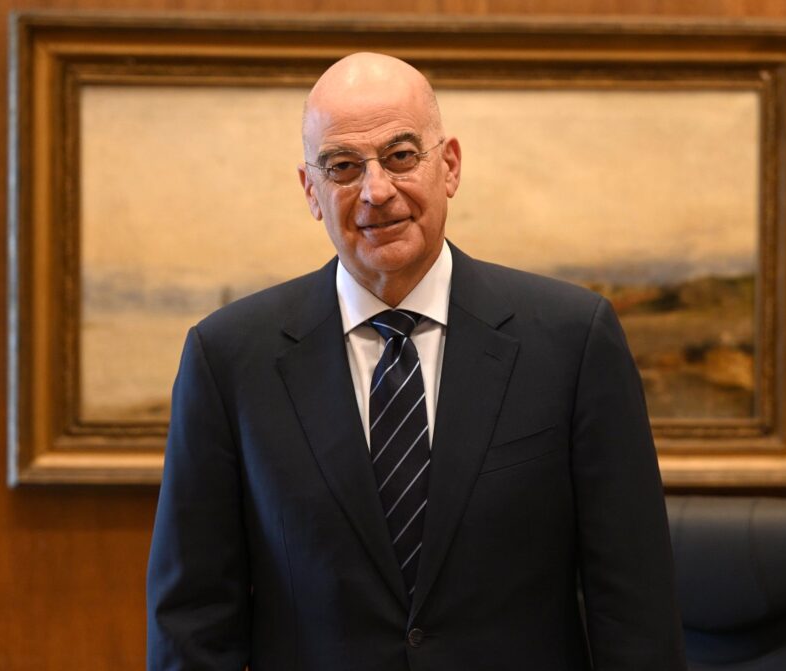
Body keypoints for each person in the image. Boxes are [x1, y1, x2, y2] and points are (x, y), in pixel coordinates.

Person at [147, 52, 686, 670]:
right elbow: (191, 622)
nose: (376, 191)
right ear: (311, 191)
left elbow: (635, 610)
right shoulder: (228, 359)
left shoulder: (572, 341)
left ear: (449, 165)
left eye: (401, 156)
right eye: (343, 166)